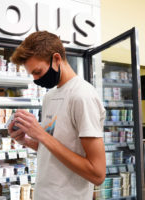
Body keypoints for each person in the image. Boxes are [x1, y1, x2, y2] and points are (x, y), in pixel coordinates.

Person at [8, 31, 106, 200]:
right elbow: (53, 147)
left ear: (57, 59)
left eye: (38, 72)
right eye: (32, 74)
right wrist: (26, 141)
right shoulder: (49, 96)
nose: (36, 79)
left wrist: (40, 134)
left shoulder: (82, 95)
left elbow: (97, 174)